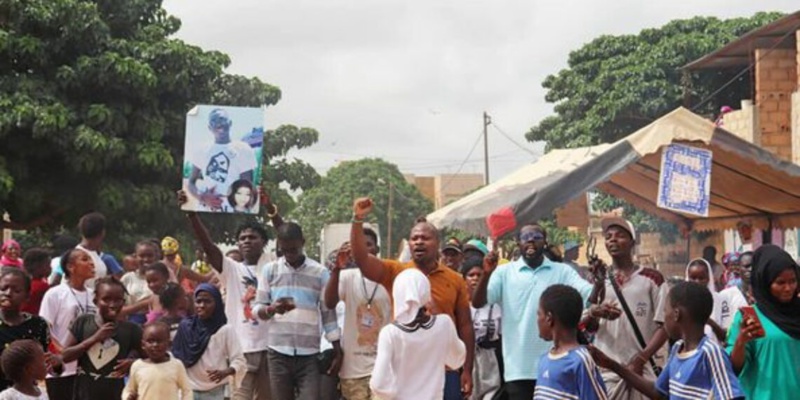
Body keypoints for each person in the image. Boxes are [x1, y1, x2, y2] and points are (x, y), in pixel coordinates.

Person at [350, 198, 474, 399]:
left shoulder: (454, 279)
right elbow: (362, 260)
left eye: (425, 238)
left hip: (445, 370)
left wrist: (467, 370)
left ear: (438, 244)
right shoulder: (397, 273)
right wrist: (357, 219)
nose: (418, 242)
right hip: (405, 368)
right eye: (414, 238)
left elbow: (466, 325)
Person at [471, 224, 593, 400]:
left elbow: (590, 295)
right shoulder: (504, 273)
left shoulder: (562, 271)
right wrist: (487, 274)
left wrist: (601, 283)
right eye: (525, 237)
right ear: (517, 243)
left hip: (556, 366)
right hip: (518, 371)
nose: (530, 240)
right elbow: (478, 302)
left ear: (545, 242)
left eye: (536, 236)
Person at [181, 189, 282, 400]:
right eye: (242, 238)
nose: (246, 241)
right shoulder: (231, 268)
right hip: (240, 350)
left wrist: (270, 208)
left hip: (271, 348)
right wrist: (192, 215)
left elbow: (286, 237)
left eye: (252, 237)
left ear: (263, 242)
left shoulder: (273, 264)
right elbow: (209, 247)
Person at [590, 281, 744, 400]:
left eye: (665, 312)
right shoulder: (678, 348)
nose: (664, 318)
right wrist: (612, 365)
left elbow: (730, 395)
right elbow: (658, 392)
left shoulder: (711, 353)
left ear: (676, 314)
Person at [251, 222, 341, 400]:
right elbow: (256, 310)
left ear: (303, 243)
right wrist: (271, 309)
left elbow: (328, 313)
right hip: (278, 352)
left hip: (309, 354)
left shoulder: (320, 272)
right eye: (284, 250)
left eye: (293, 249)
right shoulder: (270, 271)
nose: (289, 254)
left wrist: (337, 350)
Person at [584, 217, 669, 400]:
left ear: (633, 242)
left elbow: (666, 326)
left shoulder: (652, 279)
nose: (612, 240)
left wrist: (641, 358)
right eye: (608, 237)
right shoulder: (599, 279)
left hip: (642, 371)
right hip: (606, 371)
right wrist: (597, 291)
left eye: (620, 236)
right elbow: (590, 327)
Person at [369, 268, 466, 399]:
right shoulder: (444, 324)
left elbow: (378, 384)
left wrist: (395, 393)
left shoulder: (390, 333)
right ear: (426, 293)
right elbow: (456, 360)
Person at [323, 229, 392, 400]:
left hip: (384, 368)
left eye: (368, 245)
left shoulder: (390, 275)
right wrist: (337, 269)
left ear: (377, 249)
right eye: (358, 245)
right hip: (353, 372)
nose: (363, 249)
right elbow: (329, 303)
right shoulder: (347, 277)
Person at [727, 245, 800, 399]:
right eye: (780, 283)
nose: (788, 288)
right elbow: (734, 368)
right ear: (765, 283)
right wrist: (741, 341)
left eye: (793, 281)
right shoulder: (750, 317)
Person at [60, 277, 142, 399]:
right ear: (95, 301)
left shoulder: (131, 330)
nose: (112, 305)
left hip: (116, 395)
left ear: (123, 302)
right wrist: (95, 338)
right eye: (106, 299)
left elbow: (148, 359)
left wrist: (133, 363)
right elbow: (64, 356)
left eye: (118, 300)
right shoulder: (83, 322)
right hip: (85, 395)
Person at [40, 248, 96, 400]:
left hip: (88, 368)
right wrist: (63, 353)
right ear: (71, 267)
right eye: (85, 259)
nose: (92, 263)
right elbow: (44, 329)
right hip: (62, 369)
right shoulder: (55, 294)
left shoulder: (95, 295)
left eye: (91, 259)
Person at [173, 283, 246, 400]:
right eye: (198, 301)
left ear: (217, 304)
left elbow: (239, 359)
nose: (201, 305)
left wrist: (225, 372)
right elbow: (176, 358)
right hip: (189, 390)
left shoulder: (225, 330)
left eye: (207, 301)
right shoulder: (185, 327)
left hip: (216, 390)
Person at [535, 284, 607, 399]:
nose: (537, 320)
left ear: (549, 318)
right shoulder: (544, 359)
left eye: (538, 314)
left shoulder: (580, 360)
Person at [0, 269, 61, 392]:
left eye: (16, 290)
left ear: (27, 296)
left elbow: (48, 366)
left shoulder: (37, 325)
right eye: (3, 288)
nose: (8, 293)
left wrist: (57, 364)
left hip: (25, 393)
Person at [187, 108, 258, 212]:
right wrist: (202, 197)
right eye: (214, 121)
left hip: (232, 209)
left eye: (223, 120)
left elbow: (247, 187)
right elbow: (191, 182)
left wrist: (237, 208)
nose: (219, 125)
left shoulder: (243, 149)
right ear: (209, 127)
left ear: (230, 123)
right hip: (205, 209)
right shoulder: (201, 150)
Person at [461, 257, 503, 400]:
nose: (475, 279)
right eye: (471, 275)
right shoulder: (460, 307)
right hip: (467, 360)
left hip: (491, 363)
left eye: (479, 275)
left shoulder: (496, 306)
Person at [123, 322, 193, 400]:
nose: (155, 345)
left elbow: (187, 390)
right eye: (150, 341)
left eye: (159, 341)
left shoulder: (176, 365)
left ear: (169, 344)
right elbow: (129, 389)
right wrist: (128, 397)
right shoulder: (137, 366)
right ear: (143, 345)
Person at [684, 258, 747, 344]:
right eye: (693, 278)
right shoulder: (682, 303)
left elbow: (726, 337)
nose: (697, 282)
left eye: (701, 278)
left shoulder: (720, 300)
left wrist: (710, 322)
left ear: (709, 278)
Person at [121, 241, 159, 325]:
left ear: (156, 257)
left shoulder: (162, 278)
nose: (146, 259)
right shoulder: (127, 278)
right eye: (142, 256)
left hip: (158, 322)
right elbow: (120, 309)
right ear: (135, 257)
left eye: (150, 256)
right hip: (133, 322)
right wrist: (145, 303)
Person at [21, 248, 51, 315]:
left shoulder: (22, 281)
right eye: (48, 265)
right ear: (38, 267)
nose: (50, 268)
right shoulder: (41, 286)